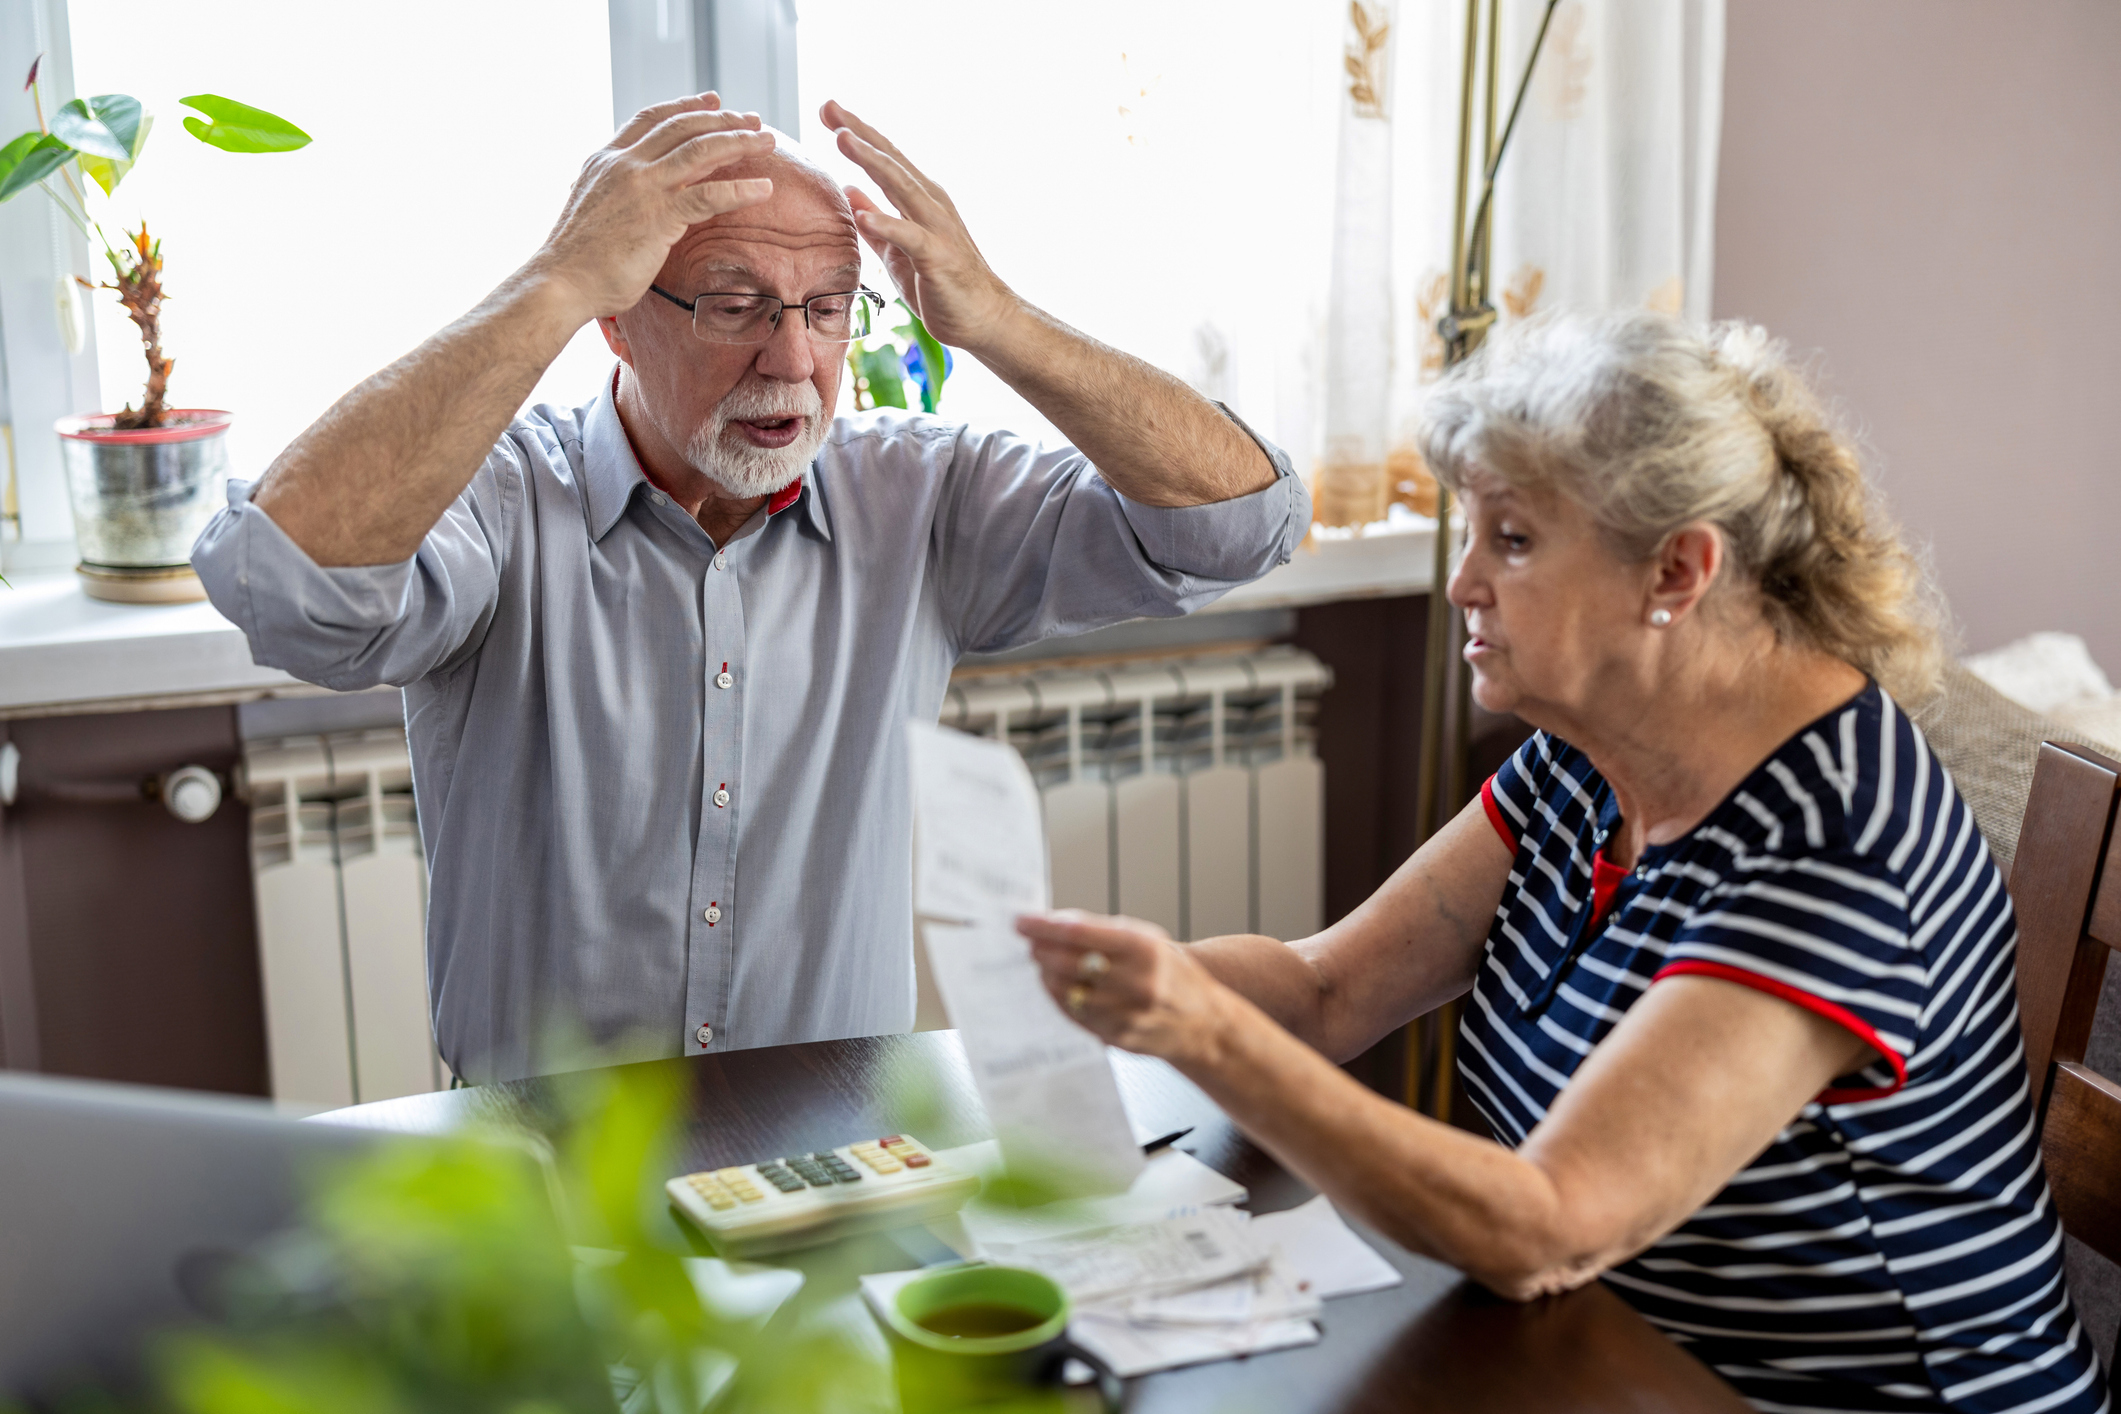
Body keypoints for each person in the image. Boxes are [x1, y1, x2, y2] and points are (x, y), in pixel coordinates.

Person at [1021, 312, 2108, 1413]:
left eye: (1517, 540)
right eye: (1471, 532)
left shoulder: (1838, 842)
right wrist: (1107, 976)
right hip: (1608, 1367)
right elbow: (1326, 988)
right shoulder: (1590, 758)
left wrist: (1201, 1032)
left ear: (1676, 571)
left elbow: (1543, 1227)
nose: (1462, 586)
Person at [192, 97, 1308, 1085]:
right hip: (544, 1167)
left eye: (828, 309)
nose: (792, 362)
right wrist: (555, 278)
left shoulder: (917, 494)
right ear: (618, 320)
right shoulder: (504, 497)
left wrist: (998, 318)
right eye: (735, 306)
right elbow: (285, 589)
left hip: (836, 1144)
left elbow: (1240, 528)